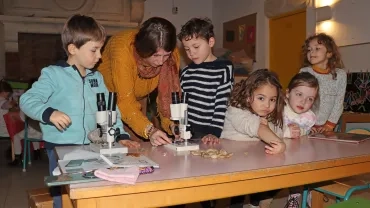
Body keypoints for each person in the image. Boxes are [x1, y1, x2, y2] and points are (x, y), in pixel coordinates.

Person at [20, 14, 139, 208]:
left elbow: (111, 108)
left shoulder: (96, 78)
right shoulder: (53, 74)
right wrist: (49, 113)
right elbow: (27, 100)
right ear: (73, 49)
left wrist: (120, 134)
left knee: (90, 194)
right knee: (65, 197)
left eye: (100, 49)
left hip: (92, 147)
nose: (99, 56)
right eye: (94, 50)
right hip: (61, 150)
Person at [98, 17, 180, 146]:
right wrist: (150, 129)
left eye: (166, 55)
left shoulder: (171, 54)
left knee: (141, 148)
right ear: (143, 50)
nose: (161, 62)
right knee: (121, 148)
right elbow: (125, 101)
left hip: (138, 97)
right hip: (109, 100)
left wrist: (174, 126)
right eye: (156, 56)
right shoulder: (122, 48)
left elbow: (167, 97)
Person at [221, 69, 286, 208]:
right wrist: (279, 143)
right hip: (232, 165)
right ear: (248, 96)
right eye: (261, 98)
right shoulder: (236, 110)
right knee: (237, 196)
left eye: (272, 100)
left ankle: (256, 203)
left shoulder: (267, 113)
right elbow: (257, 128)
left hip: (255, 165)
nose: (267, 105)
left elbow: (279, 130)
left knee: (279, 176)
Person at [177, 17, 234, 143]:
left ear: (211, 42)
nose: (191, 53)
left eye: (196, 47)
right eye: (187, 49)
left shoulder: (224, 68)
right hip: (188, 132)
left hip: (211, 133)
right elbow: (182, 105)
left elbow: (221, 104)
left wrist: (213, 133)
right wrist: (180, 128)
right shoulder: (186, 72)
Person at [283, 72, 319, 208]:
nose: (303, 102)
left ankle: (300, 194)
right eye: (299, 95)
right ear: (287, 93)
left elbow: (306, 133)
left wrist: (305, 131)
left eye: (310, 99)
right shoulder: (280, 110)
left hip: (299, 156)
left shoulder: (309, 117)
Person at [300, 33, 346, 133]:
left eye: (317, 48)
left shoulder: (340, 75)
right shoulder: (304, 72)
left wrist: (330, 124)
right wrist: (305, 124)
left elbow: (339, 102)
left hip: (329, 126)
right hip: (307, 125)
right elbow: (299, 100)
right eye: (309, 49)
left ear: (329, 53)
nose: (311, 52)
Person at [9, 79, 43, 166]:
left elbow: (23, 118)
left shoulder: (26, 99)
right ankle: (37, 152)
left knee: (17, 136)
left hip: (34, 132)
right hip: (47, 132)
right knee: (34, 129)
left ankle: (17, 158)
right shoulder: (44, 96)